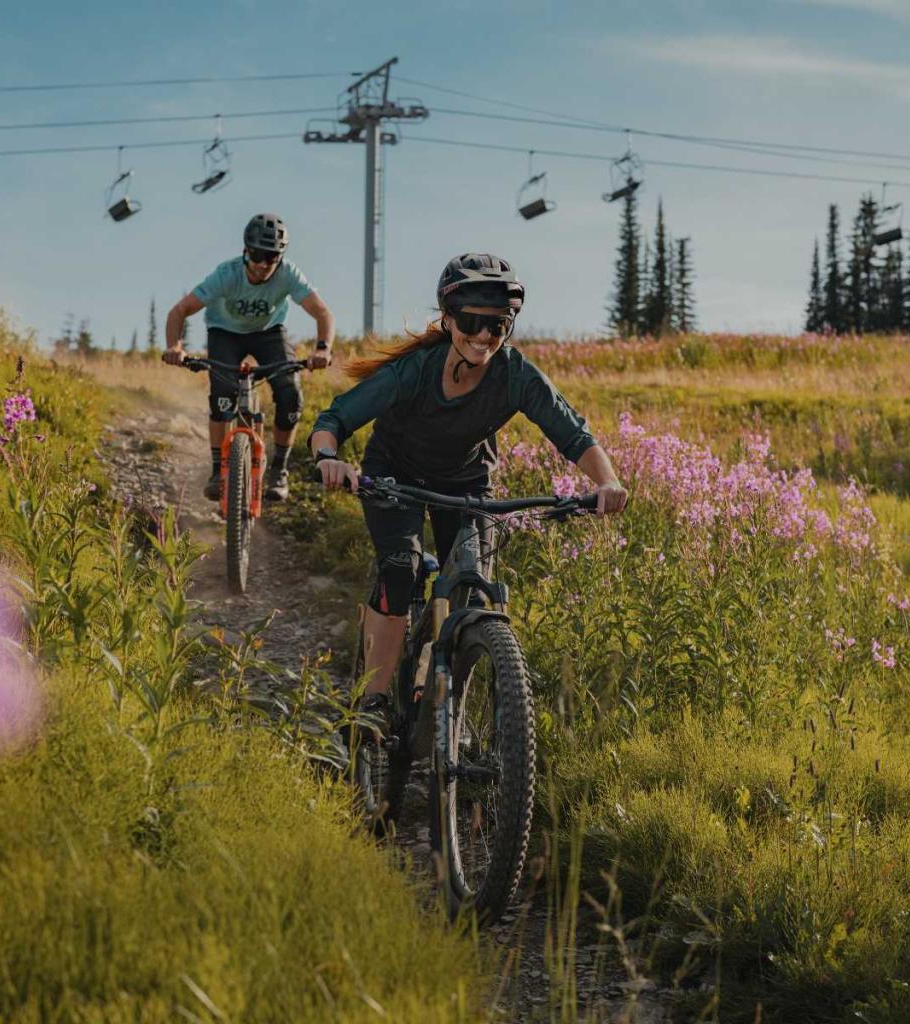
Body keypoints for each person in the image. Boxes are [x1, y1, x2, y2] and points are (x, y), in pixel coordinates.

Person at [308, 253, 628, 731]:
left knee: (474, 592)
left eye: (496, 326)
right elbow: (333, 420)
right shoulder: (414, 371)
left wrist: (607, 481)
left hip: (467, 483)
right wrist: (328, 459)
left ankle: (448, 706)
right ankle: (371, 708)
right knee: (400, 573)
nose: (482, 337)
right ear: (447, 318)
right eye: (470, 322)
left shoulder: (515, 375)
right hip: (394, 477)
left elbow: (574, 434)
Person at [162, 213, 336, 501]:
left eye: (271, 257)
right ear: (245, 251)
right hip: (224, 333)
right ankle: (218, 470)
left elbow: (322, 313)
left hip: (269, 333)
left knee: (290, 393)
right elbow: (178, 311)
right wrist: (174, 347)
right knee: (223, 394)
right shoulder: (226, 274)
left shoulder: (288, 274)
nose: (262, 265)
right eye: (257, 255)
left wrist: (322, 349)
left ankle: (279, 470)